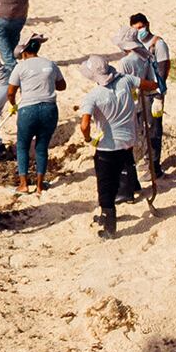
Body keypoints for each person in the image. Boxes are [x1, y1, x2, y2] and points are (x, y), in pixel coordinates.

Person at [76, 55, 141, 238]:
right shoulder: (125, 81)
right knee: (121, 175)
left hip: (107, 147)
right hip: (128, 142)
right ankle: (113, 208)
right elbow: (147, 85)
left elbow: (84, 124)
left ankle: (110, 227)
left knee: (105, 185)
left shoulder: (93, 96)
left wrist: (88, 139)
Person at [6, 35, 64, 194]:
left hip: (28, 110)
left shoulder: (20, 67)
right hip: (49, 109)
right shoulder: (50, 64)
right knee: (42, 147)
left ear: (24, 52)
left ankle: (24, 184)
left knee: (23, 146)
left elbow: (11, 92)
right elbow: (62, 86)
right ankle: (39, 185)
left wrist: (14, 105)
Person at [108, 29, 161, 202]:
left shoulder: (125, 62)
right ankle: (135, 182)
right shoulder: (144, 57)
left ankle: (128, 188)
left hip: (129, 103)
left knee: (126, 145)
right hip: (142, 99)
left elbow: (123, 85)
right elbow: (151, 81)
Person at [127, 13, 170, 165]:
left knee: (153, 129)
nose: (139, 31)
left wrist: (159, 96)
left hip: (153, 93)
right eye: (135, 29)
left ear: (147, 25)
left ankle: (154, 165)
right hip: (140, 93)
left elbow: (163, 70)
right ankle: (146, 158)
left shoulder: (158, 44)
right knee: (141, 129)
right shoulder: (135, 45)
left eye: (140, 27)